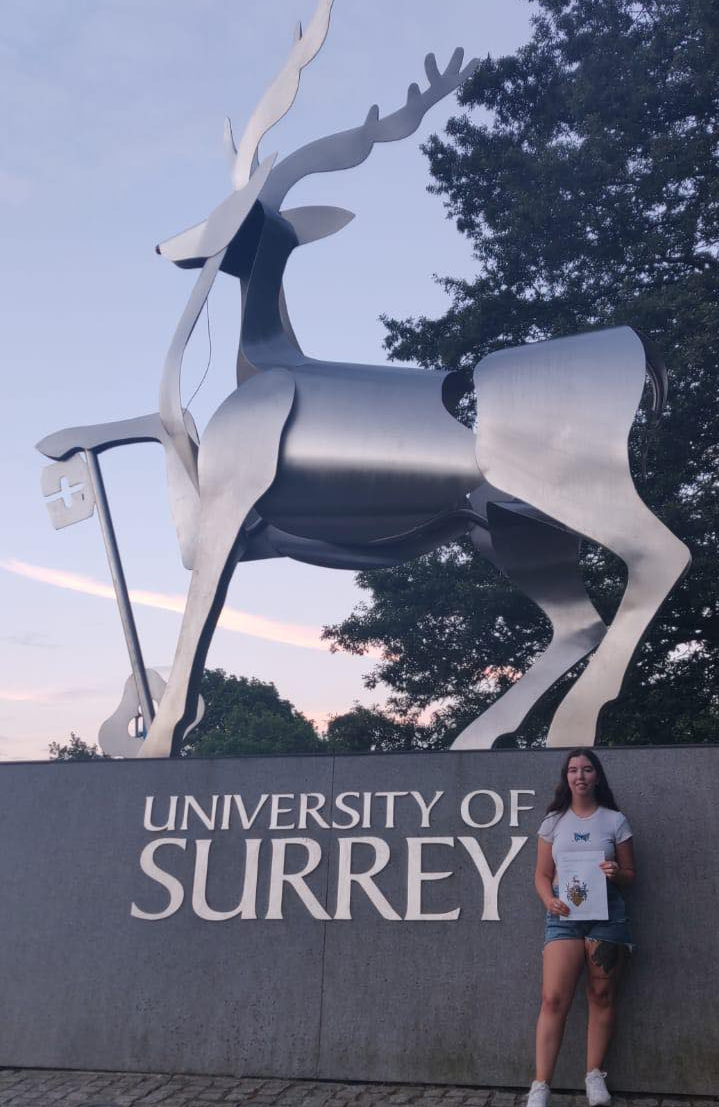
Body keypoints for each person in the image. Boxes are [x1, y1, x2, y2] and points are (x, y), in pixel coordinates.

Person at [527, 749, 636, 1107]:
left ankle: (594, 1076)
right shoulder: (553, 822)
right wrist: (548, 900)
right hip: (563, 915)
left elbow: (630, 875)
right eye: (573, 770)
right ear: (566, 778)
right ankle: (541, 1085)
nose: (580, 776)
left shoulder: (615, 821)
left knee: (601, 996)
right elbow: (542, 876)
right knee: (553, 998)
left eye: (587, 769)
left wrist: (616, 874)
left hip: (607, 916)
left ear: (597, 776)